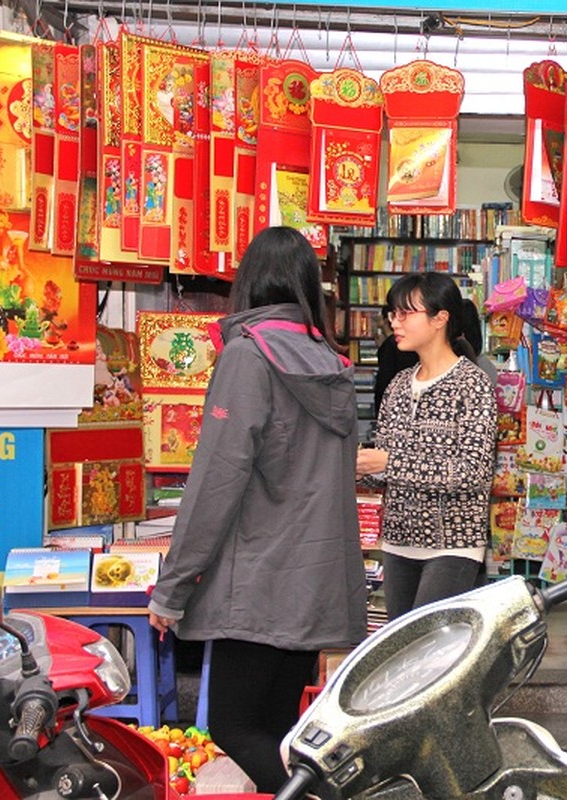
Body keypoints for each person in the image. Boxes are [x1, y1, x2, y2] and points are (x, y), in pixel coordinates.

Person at [147, 227, 366, 792]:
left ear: (249, 282)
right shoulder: (328, 361)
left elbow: (215, 484)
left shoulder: (249, 356)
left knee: (233, 724)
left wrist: (171, 589)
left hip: (259, 582)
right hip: (313, 580)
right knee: (275, 727)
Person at [356, 273, 497, 620]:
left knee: (429, 649)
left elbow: (472, 473)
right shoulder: (399, 385)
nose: (395, 322)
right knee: (402, 651)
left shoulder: (473, 385)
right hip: (398, 541)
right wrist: (354, 464)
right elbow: (381, 474)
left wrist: (387, 462)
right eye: (393, 314)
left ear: (439, 319)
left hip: (454, 542)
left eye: (405, 314)